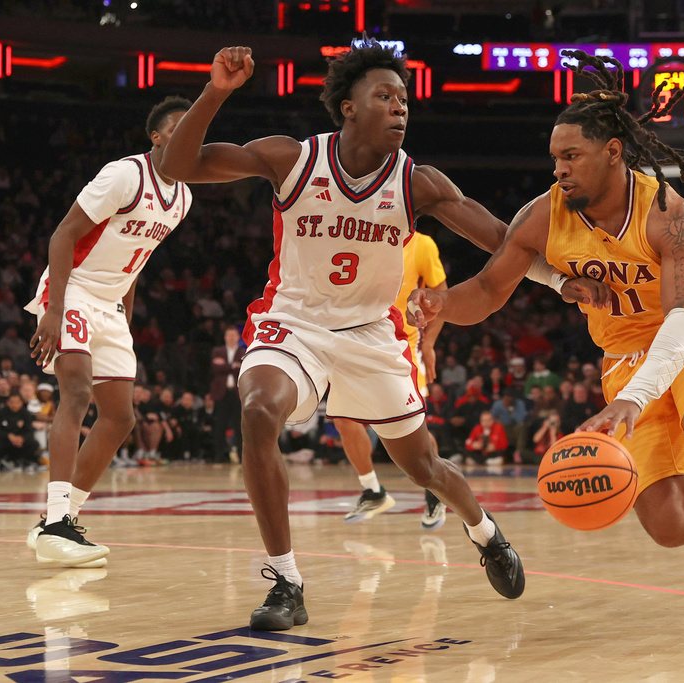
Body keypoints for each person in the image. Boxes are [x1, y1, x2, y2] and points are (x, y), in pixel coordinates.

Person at [407, 50, 684, 649]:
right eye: (555, 158)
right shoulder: (543, 215)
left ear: (613, 152)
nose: (560, 168)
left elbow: (683, 316)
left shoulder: (668, 213)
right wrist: (442, 303)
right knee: (672, 526)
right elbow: (488, 291)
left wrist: (634, 401)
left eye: (572, 156)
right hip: (622, 358)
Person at [160, 43, 599, 631]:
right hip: (293, 323)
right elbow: (179, 166)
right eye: (385, 96)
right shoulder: (291, 158)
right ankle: (286, 582)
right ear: (347, 106)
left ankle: (486, 534)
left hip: (371, 334)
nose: (400, 108)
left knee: (424, 468)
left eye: (404, 99)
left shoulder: (417, 182)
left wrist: (559, 280)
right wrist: (215, 91)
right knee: (260, 409)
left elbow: (501, 237)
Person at [23, 96, 194, 568]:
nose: (189, 136)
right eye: (178, 128)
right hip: (72, 288)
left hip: (110, 304)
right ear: (157, 137)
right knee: (76, 394)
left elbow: (137, 259)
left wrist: (126, 316)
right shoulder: (124, 175)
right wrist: (53, 310)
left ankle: (59, 522)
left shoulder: (184, 197)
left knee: (121, 418)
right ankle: (56, 521)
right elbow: (63, 235)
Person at [336, 230, 449, 529]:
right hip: (357, 340)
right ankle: (373, 490)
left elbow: (442, 296)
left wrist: (429, 344)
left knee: (411, 429)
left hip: (402, 344)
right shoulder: (362, 237)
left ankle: (436, 492)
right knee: (343, 418)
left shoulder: (423, 244)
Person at [209, 327, 244, 463]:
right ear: (225, 337)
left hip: (236, 393)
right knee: (219, 425)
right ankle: (218, 456)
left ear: (238, 337)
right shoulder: (218, 351)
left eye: (233, 335)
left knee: (239, 426)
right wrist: (233, 366)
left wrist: (227, 366)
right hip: (221, 393)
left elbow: (242, 368)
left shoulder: (242, 352)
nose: (231, 337)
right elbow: (216, 368)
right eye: (228, 335)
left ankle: (241, 456)